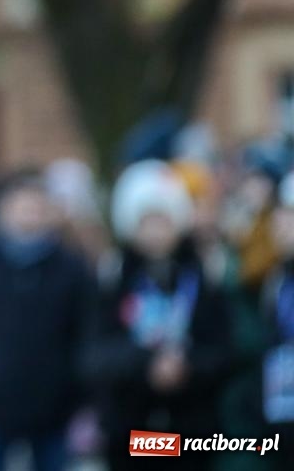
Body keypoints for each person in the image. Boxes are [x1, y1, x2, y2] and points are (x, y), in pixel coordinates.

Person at [82, 159, 233, 471]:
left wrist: (187, 366)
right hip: (130, 427)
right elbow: (96, 353)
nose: (154, 232)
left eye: (162, 220)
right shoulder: (115, 276)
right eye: (145, 221)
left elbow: (223, 348)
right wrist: (146, 364)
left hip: (191, 427)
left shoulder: (202, 274)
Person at [0, 169, 93, 471]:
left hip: (54, 406)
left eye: (38, 206)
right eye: (22, 205)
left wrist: (81, 395)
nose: (31, 214)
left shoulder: (72, 268)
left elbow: (85, 332)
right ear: (2, 209)